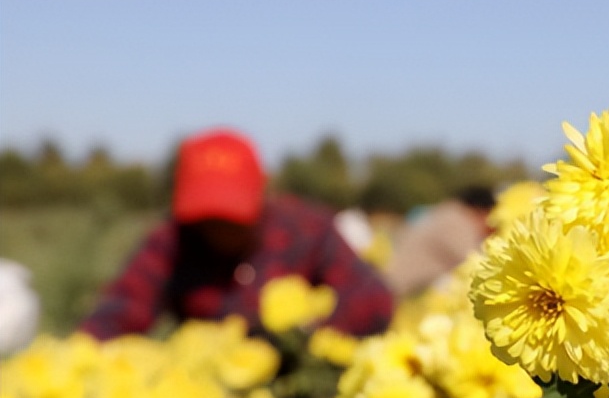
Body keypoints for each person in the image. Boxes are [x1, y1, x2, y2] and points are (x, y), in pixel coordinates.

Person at [80, 128, 394, 340]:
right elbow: (120, 311)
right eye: (208, 218)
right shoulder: (172, 242)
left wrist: (310, 335)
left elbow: (373, 297)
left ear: (261, 195)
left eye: (232, 217)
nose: (220, 229)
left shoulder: (306, 230)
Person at [382, 185, 495, 298]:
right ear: (482, 211)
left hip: (397, 288)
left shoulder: (444, 213)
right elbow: (475, 261)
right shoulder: (457, 220)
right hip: (405, 292)